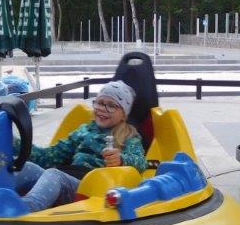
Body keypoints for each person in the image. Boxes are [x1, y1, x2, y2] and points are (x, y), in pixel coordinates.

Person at [13, 81, 147, 212]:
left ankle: (25, 208)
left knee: (54, 175)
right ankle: (3, 195)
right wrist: (17, 144)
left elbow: (141, 162)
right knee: (27, 167)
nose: (102, 109)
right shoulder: (84, 131)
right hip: (68, 178)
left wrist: (121, 159)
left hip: (91, 188)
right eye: (100, 103)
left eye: (111, 105)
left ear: (123, 114)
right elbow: (50, 156)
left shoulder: (129, 136)